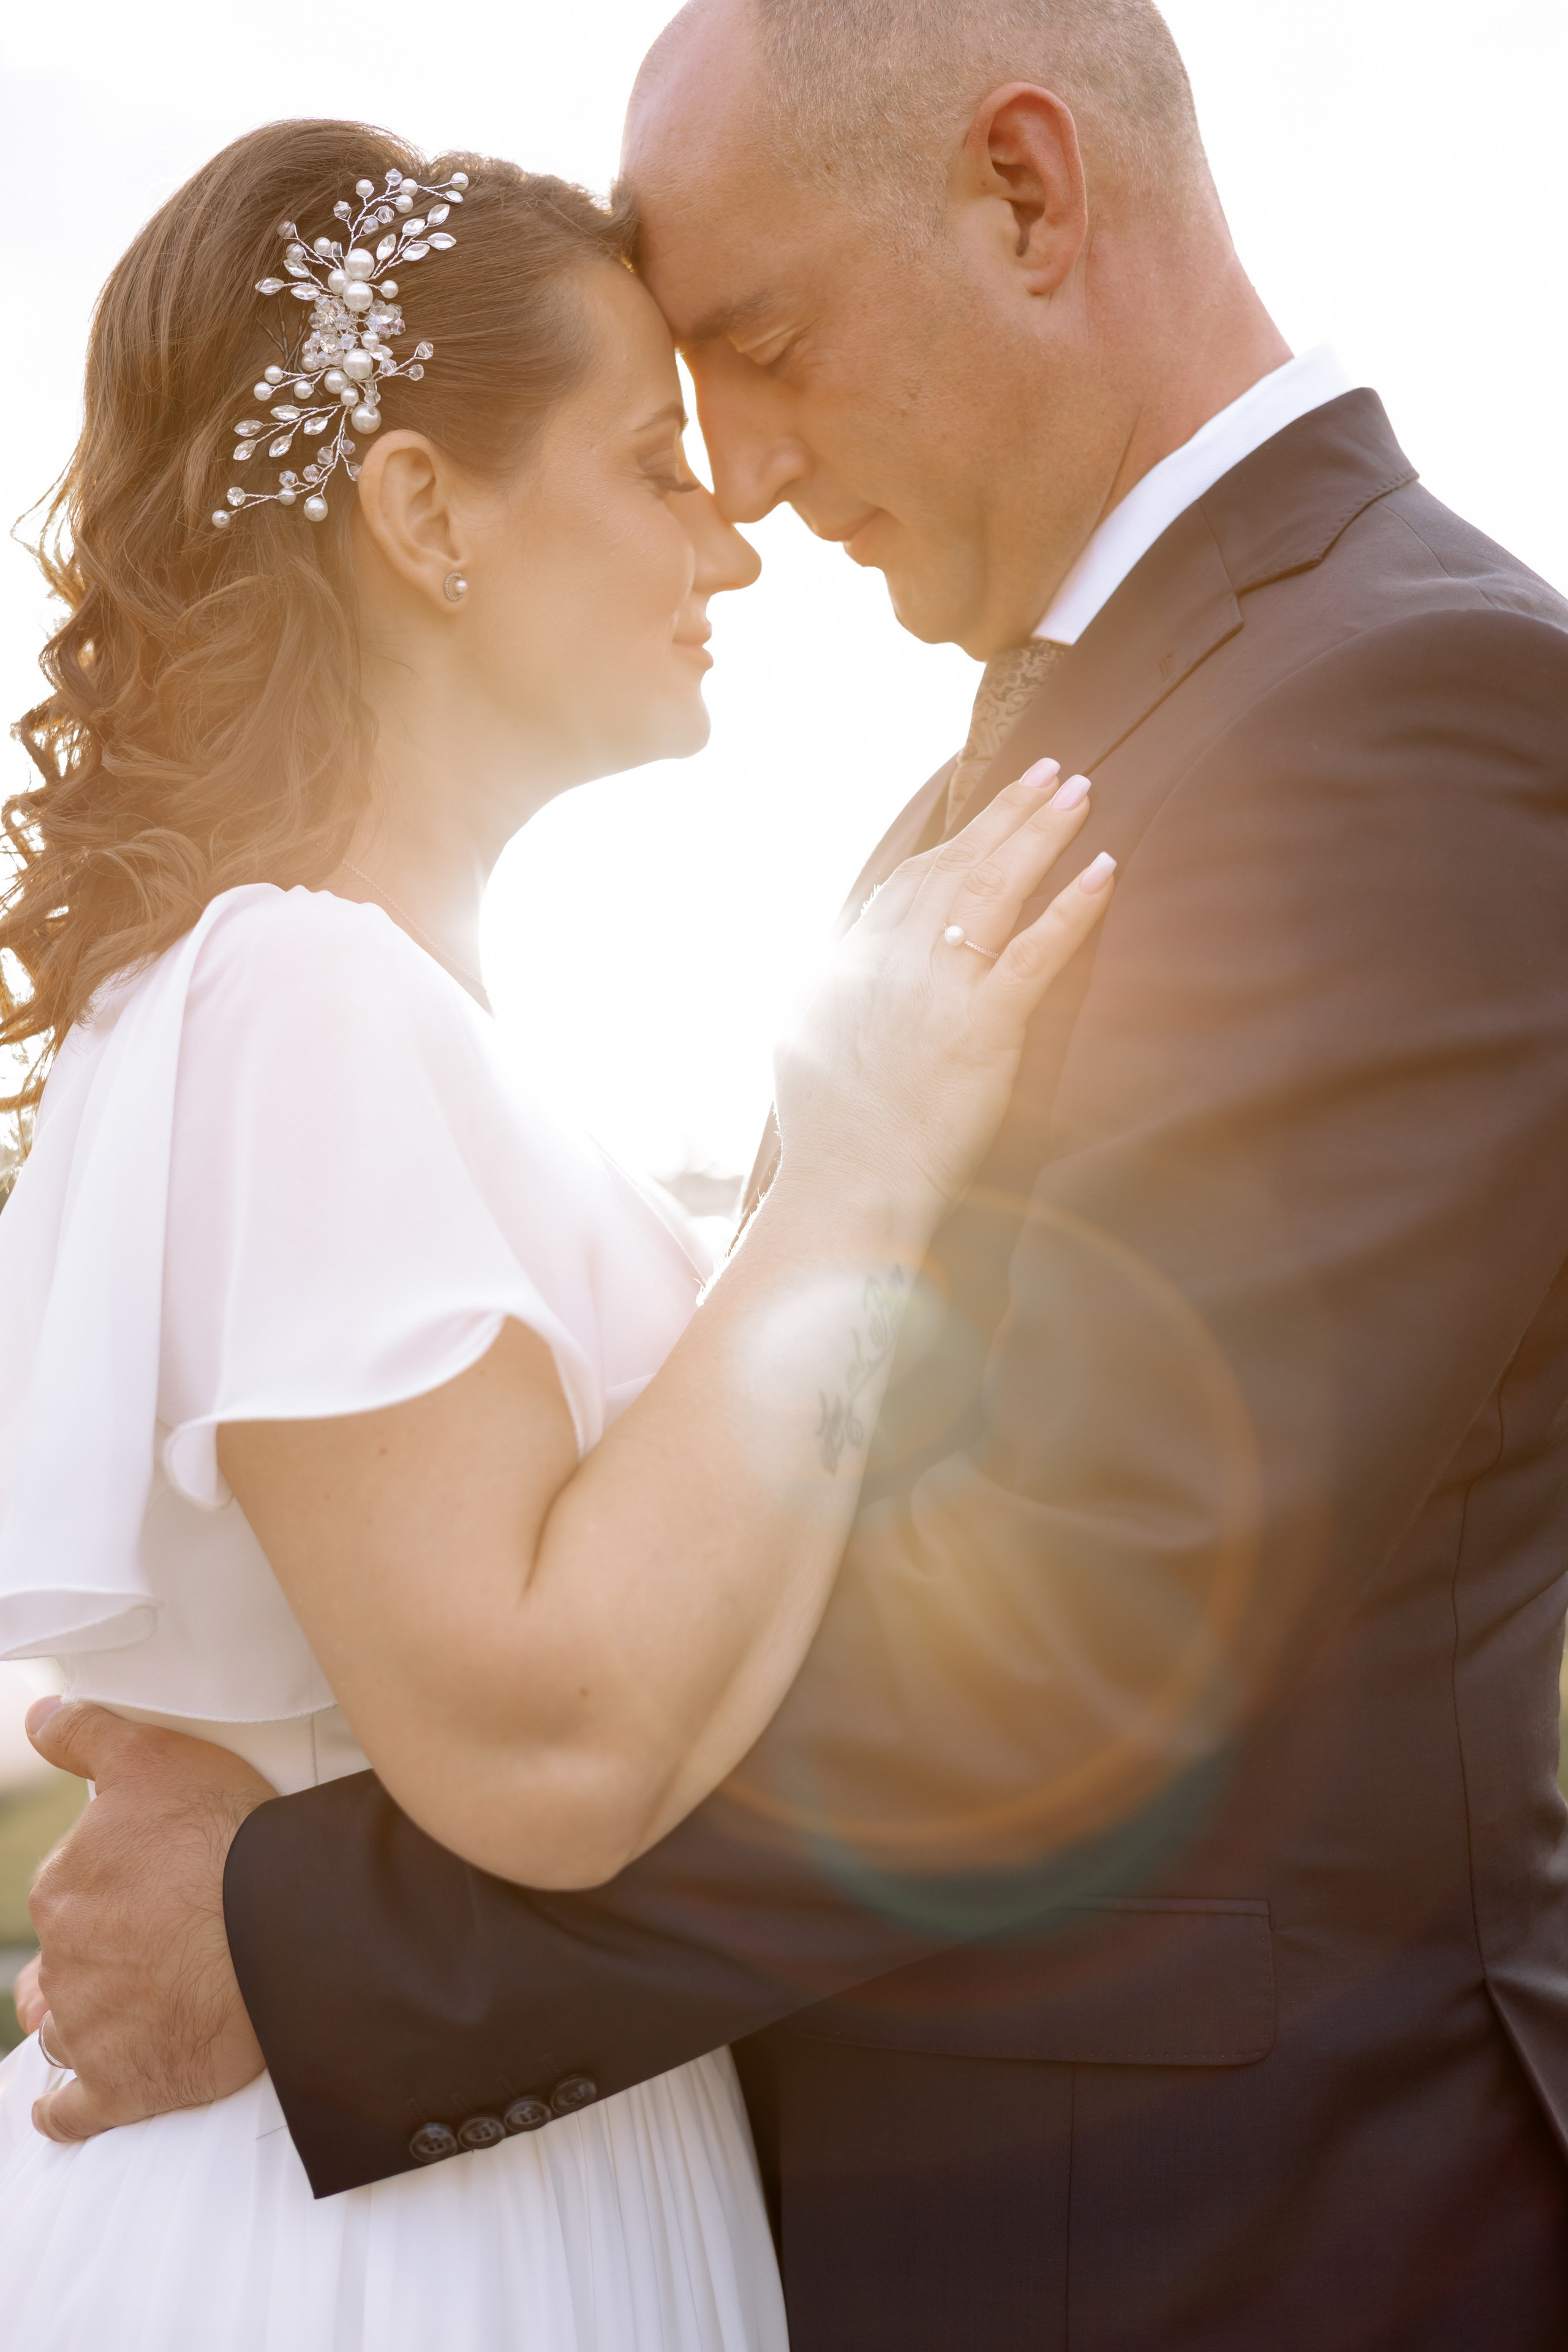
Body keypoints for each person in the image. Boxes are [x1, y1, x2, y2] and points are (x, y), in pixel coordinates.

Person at [17, 0, 1568, 2345]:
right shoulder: (999, 787)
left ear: (1029, 198)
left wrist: (297, 1939)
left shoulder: (1399, 708)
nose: (735, 480)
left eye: (753, 343)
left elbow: (1088, 1611)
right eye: (662, 430)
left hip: (1218, 2254)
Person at [0, 114, 1117, 2352]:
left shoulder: (378, 1029)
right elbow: (550, 1744)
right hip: (390, 2246)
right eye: (649, 466)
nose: (736, 543)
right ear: (424, 514)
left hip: (488, 2146)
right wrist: (873, 1160)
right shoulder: (298, 998)